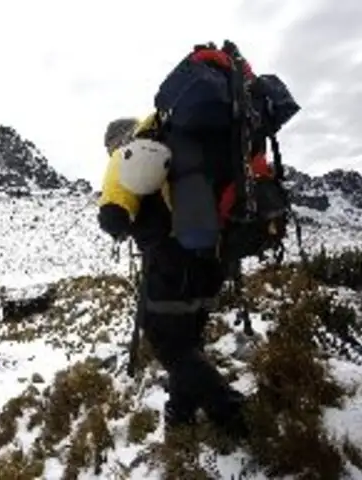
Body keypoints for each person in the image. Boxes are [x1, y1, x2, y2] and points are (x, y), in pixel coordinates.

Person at [97, 41, 299, 441]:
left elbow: (113, 216)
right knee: (188, 340)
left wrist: (120, 219)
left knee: (168, 345)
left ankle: (234, 417)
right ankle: (180, 415)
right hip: (217, 254)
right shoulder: (189, 139)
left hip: (172, 259)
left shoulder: (135, 147)